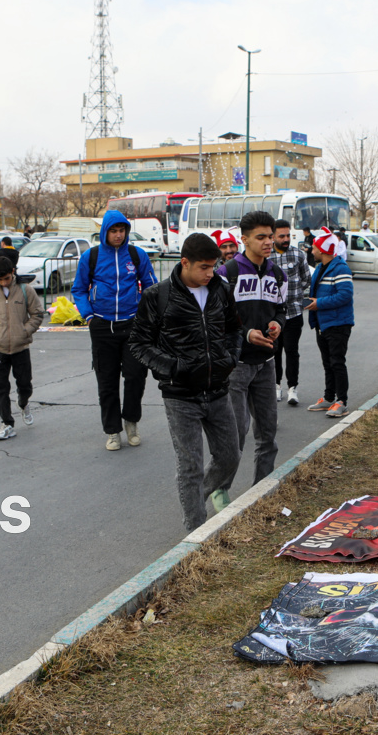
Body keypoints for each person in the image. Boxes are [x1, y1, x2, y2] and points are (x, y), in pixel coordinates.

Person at [129, 232, 242, 530]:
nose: (210, 273)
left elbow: (234, 330)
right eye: (204, 267)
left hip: (218, 391)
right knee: (190, 466)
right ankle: (195, 530)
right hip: (180, 396)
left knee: (230, 456)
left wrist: (229, 359)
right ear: (185, 263)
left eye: (214, 266)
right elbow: (139, 344)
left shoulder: (221, 290)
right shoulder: (158, 296)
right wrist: (174, 368)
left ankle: (197, 495)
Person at [72, 211, 159, 451]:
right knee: (107, 382)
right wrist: (89, 316)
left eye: (122, 231)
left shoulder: (137, 255)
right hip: (102, 326)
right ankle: (112, 431)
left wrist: (145, 313)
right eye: (113, 231)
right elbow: (79, 289)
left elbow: (151, 287)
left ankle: (131, 421)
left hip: (133, 325)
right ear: (105, 232)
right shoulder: (91, 256)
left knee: (135, 376)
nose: (118, 235)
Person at [223, 210, 285, 484]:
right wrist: (246, 334)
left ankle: (261, 490)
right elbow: (217, 319)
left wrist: (277, 324)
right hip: (236, 365)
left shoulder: (278, 274)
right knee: (236, 433)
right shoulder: (227, 273)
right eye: (261, 237)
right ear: (244, 240)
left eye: (270, 236)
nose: (268, 242)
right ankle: (220, 487)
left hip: (266, 364)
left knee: (268, 434)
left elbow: (281, 310)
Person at [0, 256, 43, 440]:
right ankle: (7, 423)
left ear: (13, 272)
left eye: (6, 278)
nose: (4, 282)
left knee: (25, 384)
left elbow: (37, 313)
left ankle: (23, 402)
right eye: (0, 279)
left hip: (21, 348)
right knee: (0, 388)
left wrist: (25, 331)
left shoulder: (25, 290)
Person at [304, 232, 355, 418]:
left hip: (338, 324)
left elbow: (345, 295)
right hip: (322, 324)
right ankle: (328, 397)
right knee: (328, 363)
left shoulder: (341, 269)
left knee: (337, 362)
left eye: (315, 247)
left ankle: (342, 401)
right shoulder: (319, 268)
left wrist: (319, 303)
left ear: (323, 250)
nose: (312, 250)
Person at [270, 218, 309, 406]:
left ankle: (293, 388)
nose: (286, 239)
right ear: (273, 236)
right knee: (274, 352)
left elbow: (305, 279)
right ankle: (276, 386)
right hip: (272, 316)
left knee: (292, 351)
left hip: (293, 313)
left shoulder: (299, 255)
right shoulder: (267, 256)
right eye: (281, 236)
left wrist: (295, 295)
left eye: (288, 235)